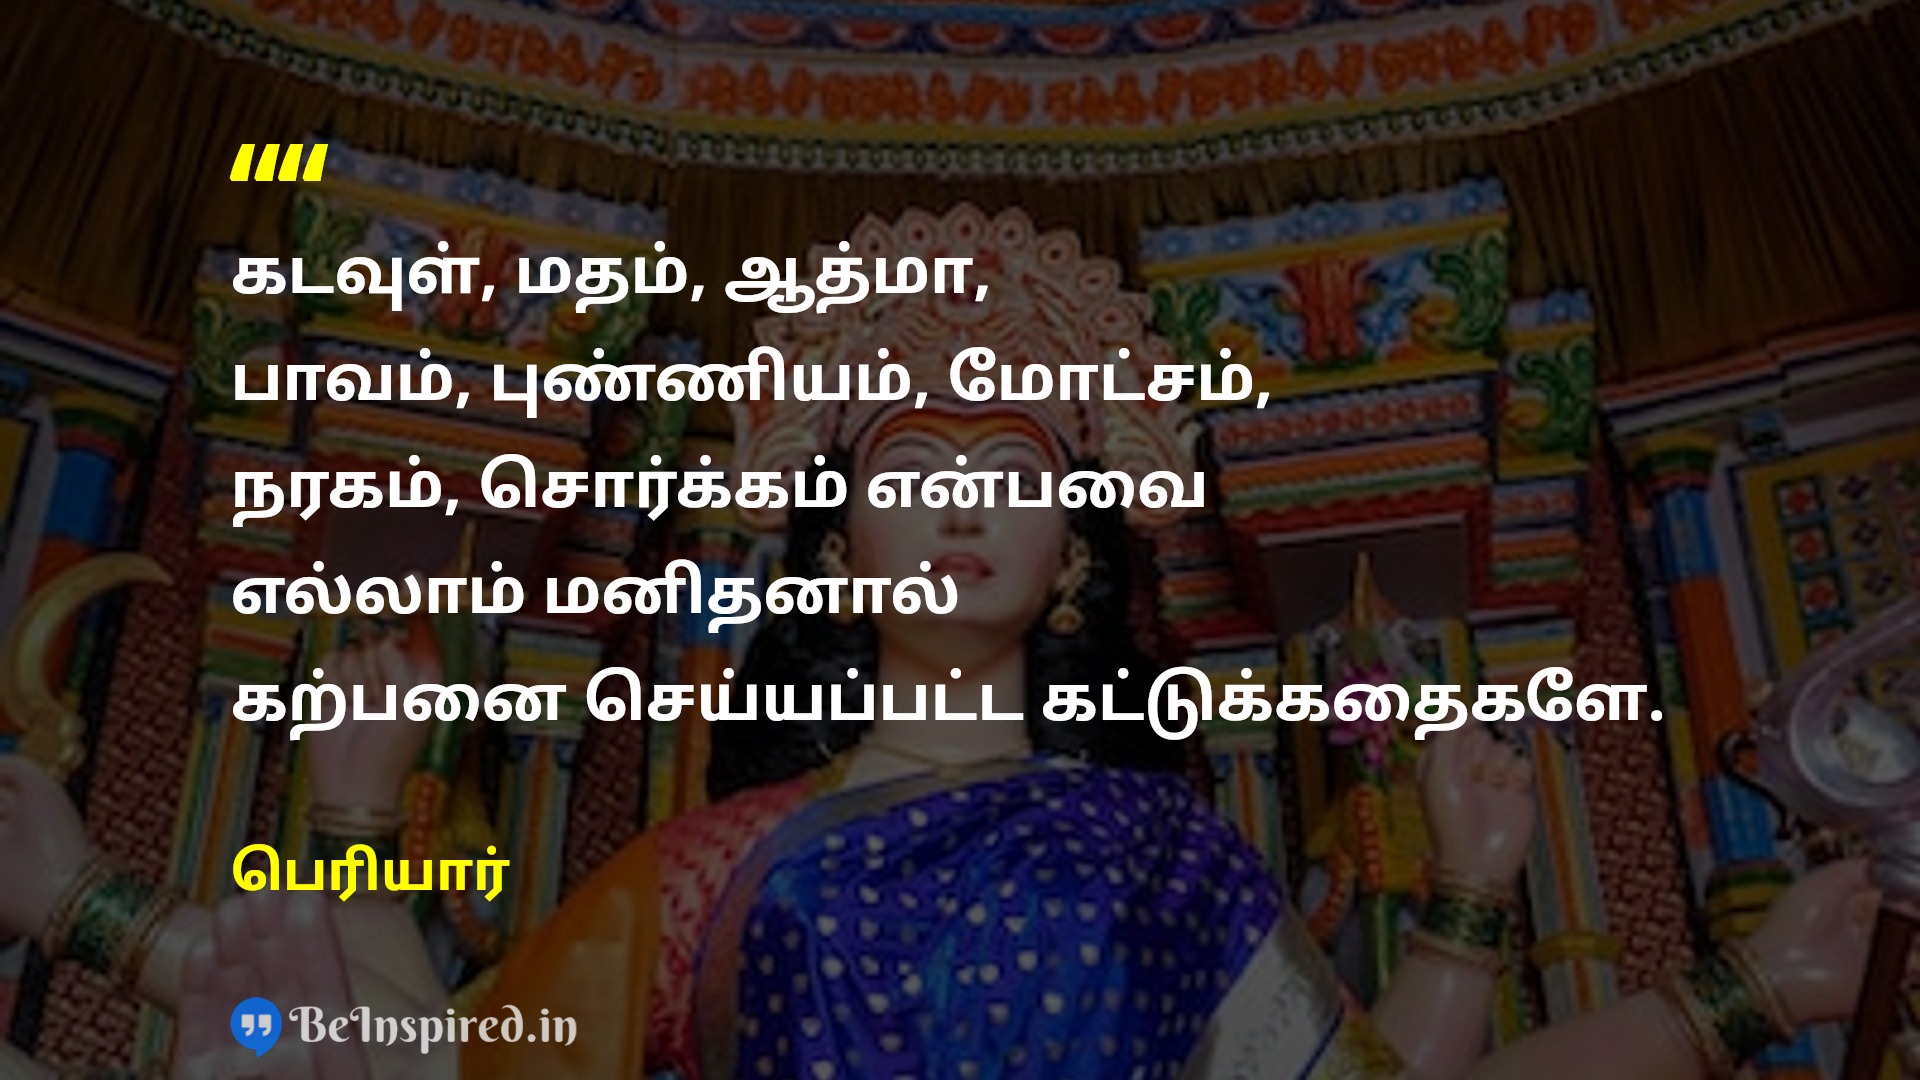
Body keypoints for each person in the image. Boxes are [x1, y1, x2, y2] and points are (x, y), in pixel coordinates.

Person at [0, 205, 1888, 1080]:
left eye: (1012, 473)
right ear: (835, 537)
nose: (962, 504)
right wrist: (300, 840)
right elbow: (401, 1071)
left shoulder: (1163, 849)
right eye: (914, 469)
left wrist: (1733, 984)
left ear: (1073, 554)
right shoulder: (713, 868)